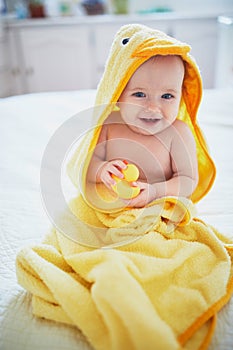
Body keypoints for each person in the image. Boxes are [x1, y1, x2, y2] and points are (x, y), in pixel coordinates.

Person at [86, 54, 198, 208]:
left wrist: (155, 192)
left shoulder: (178, 133)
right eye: (139, 94)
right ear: (118, 94)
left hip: (158, 204)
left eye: (167, 96)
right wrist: (101, 170)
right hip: (111, 203)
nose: (152, 108)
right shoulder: (109, 124)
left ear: (181, 96)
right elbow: (85, 165)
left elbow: (188, 180)